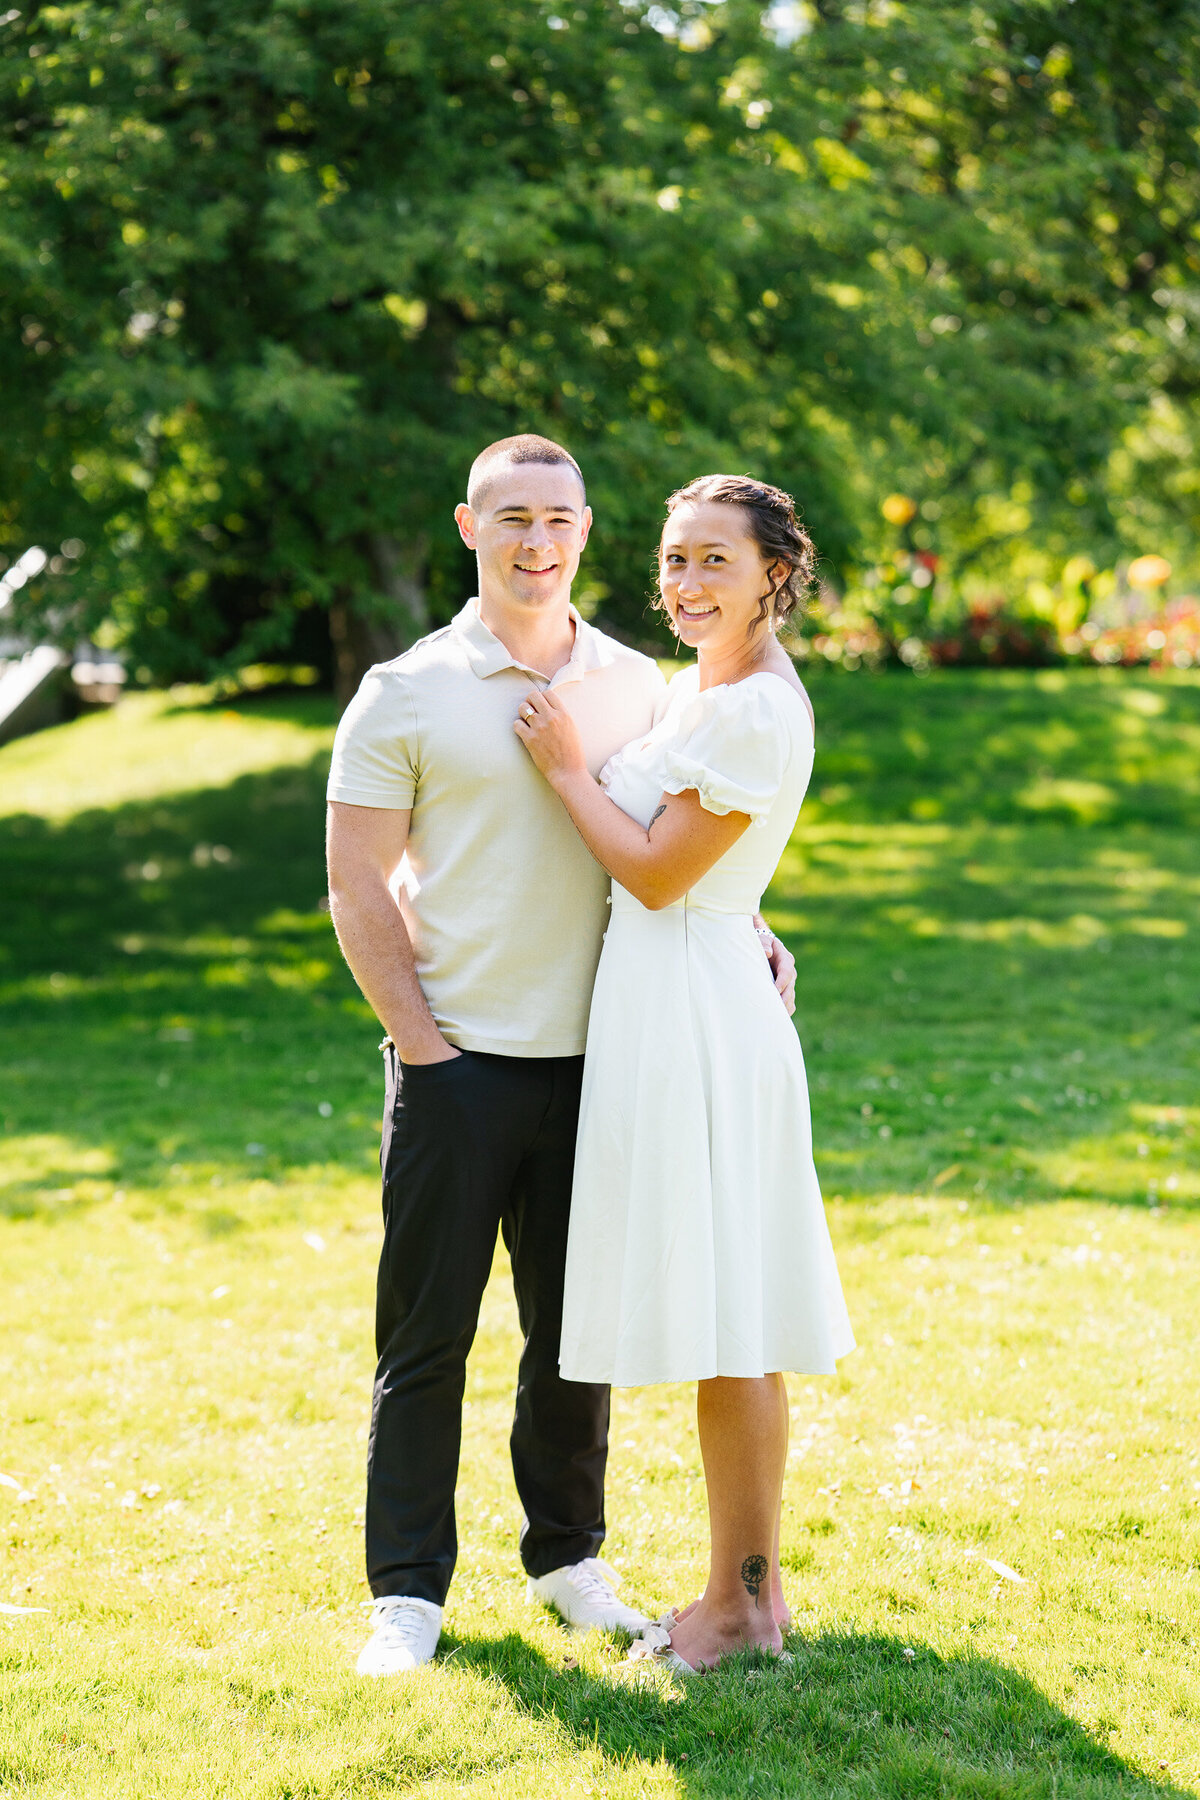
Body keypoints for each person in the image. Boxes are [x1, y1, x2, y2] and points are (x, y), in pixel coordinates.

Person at [325, 437, 798, 1676]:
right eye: (512, 519)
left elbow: (676, 829)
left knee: (571, 1335)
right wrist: (422, 1047)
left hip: (608, 1063)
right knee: (426, 1337)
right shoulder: (405, 690)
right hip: (457, 1060)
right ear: (470, 528)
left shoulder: (643, 683)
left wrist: (750, 921)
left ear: (586, 531)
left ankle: (567, 1559)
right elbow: (355, 881)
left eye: (560, 520)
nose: (538, 542)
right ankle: (408, 1595)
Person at [514, 472, 855, 1674]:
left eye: (715, 558)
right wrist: (748, 910)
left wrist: (563, 769)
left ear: (775, 570)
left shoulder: (752, 709)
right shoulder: (695, 696)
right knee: (721, 1313)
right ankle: (744, 1599)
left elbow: (658, 874)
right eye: (672, 559)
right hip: (677, 995)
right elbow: (707, 869)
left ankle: (740, 1608)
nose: (687, 582)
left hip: (703, 1020)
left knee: (735, 1321)